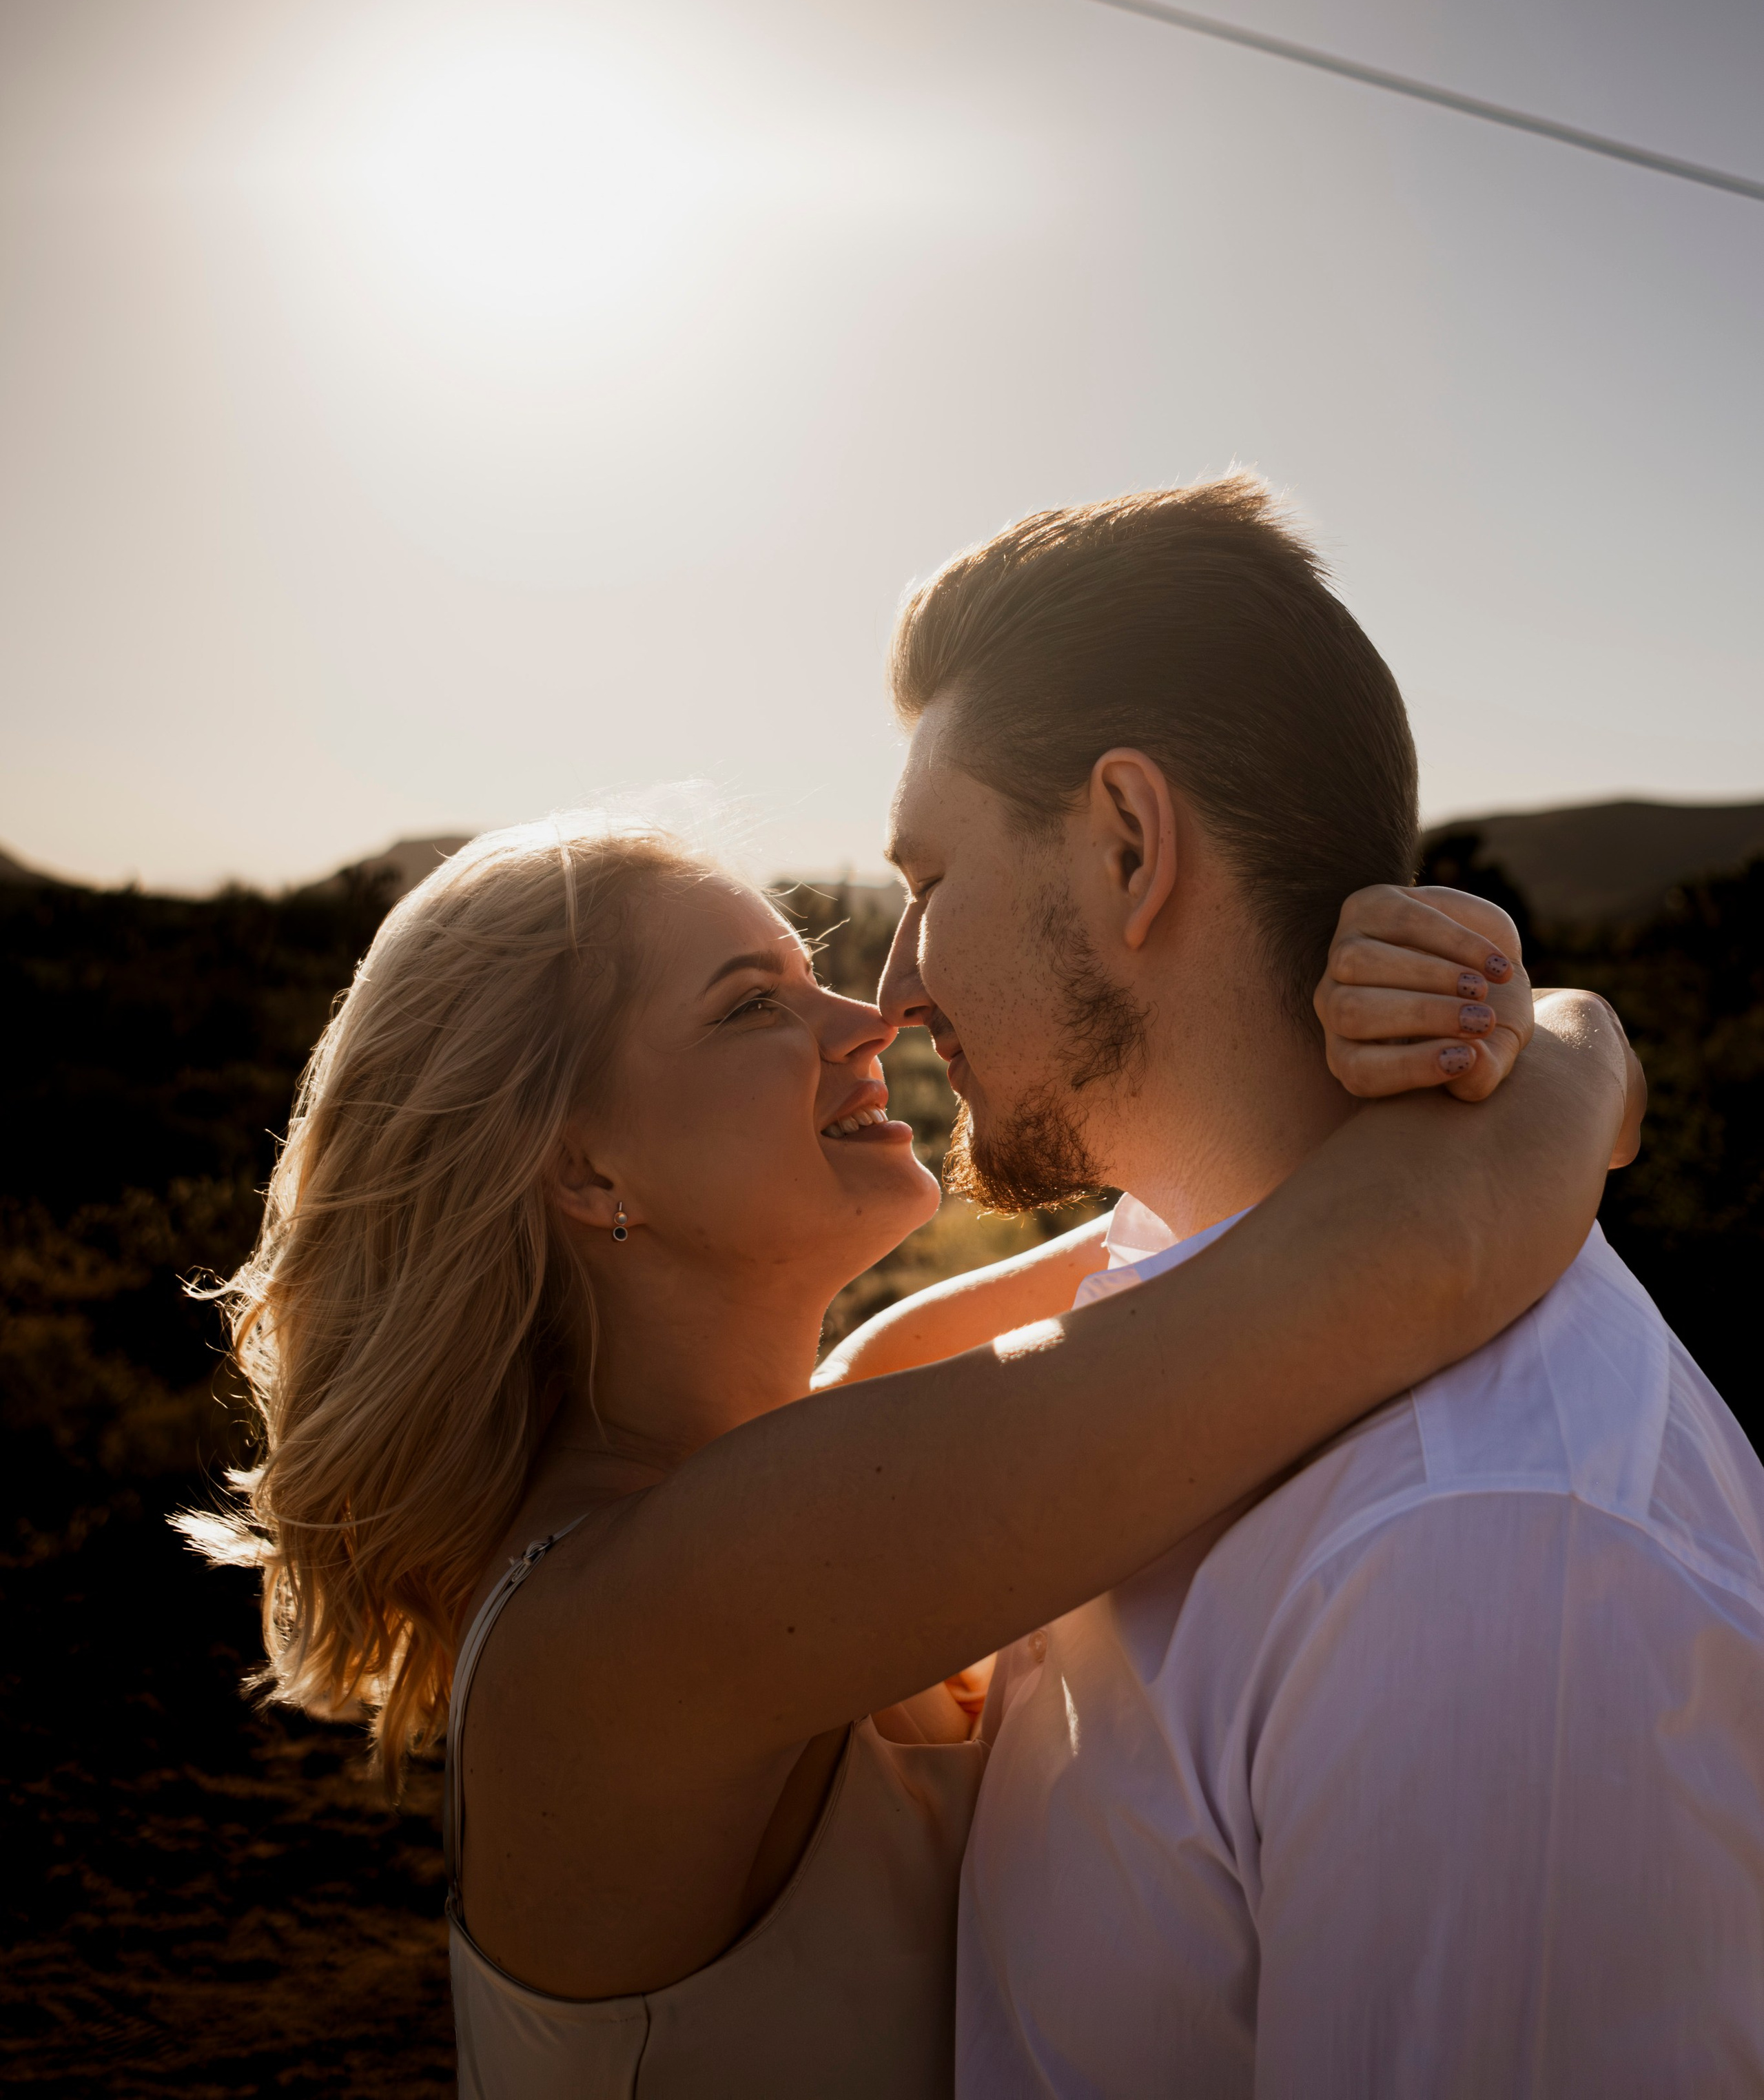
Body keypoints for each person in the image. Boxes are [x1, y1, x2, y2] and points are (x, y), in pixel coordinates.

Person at [186, 819, 1632, 2092]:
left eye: (813, 972)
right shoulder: (652, 1612)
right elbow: (1425, 1243)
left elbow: (1254, 1188)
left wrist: (1471, 1004)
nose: (868, 1019)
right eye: (753, 1005)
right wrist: (1568, 1030)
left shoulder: (863, 1406)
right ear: (583, 1167)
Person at [831, 479, 1764, 2098]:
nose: (894, 983)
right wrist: (1574, 1043)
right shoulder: (1177, 1269)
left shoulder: (1479, 1556)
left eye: (928, 881)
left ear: (1128, 847)